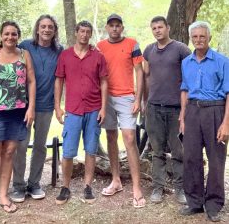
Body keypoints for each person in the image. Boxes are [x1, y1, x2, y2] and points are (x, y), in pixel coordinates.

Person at [0, 21, 36, 214]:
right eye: (6, 34)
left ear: (18, 36)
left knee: (9, 153)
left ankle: (3, 195)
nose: (10, 37)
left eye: (13, 34)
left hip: (18, 112)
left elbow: (31, 81)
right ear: (1, 36)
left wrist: (31, 108)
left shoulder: (25, 55)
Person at [179, 21, 229, 222]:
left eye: (202, 36)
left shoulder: (222, 61)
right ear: (191, 39)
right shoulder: (186, 62)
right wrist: (183, 117)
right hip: (192, 111)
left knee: (216, 159)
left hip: (215, 111)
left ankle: (214, 204)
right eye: (195, 37)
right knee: (191, 158)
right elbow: (184, 89)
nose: (198, 40)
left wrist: (226, 123)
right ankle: (195, 202)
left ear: (209, 38)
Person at [10, 14, 63, 202]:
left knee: (40, 146)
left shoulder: (59, 50)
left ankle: (34, 183)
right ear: (37, 29)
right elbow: (6, 51)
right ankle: (18, 186)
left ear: (54, 30)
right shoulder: (25, 46)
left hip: (46, 105)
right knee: (20, 146)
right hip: (23, 105)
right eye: (43, 26)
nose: (46, 30)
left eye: (50, 26)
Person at [54, 20, 108, 205]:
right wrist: (57, 107)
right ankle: (65, 187)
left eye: (87, 32)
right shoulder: (65, 55)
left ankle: (87, 187)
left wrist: (103, 107)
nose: (84, 35)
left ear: (90, 34)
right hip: (73, 110)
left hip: (93, 109)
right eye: (81, 31)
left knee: (91, 150)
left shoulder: (98, 56)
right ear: (76, 33)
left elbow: (103, 82)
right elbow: (59, 81)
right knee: (68, 152)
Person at [97, 14, 145, 208]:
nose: (115, 29)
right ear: (107, 28)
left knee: (130, 139)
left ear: (122, 28)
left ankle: (136, 187)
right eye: (111, 26)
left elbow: (139, 71)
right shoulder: (100, 46)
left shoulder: (132, 44)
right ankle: (116, 180)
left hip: (127, 97)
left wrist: (138, 98)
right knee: (110, 137)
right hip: (106, 97)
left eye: (118, 26)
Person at [143, 16, 190, 204]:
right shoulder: (149, 50)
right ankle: (158, 187)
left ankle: (180, 188)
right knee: (157, 151)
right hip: (154, 108)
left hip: (176, 109)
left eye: (160, 27)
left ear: (167, 28)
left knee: (179, 151)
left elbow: (189, 78)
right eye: (154, 28)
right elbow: (146, 76)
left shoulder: (181, 49)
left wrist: (185, 110)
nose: (157, 30)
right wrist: (146, 101)